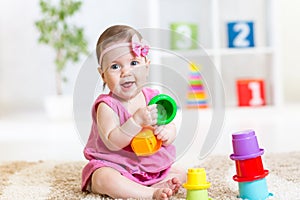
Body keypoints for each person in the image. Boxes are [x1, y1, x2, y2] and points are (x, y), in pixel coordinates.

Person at [81, 25, 185, 200]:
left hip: (149, 167)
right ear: (103, 75)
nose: (126, 72)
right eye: (115, 66)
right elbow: (113, 142)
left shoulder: (154, 98)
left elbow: (169, 124)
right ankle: (149, 193)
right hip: (116, 166)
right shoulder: (107, 106)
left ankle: (157, 183)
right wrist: (136, 121)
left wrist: (168, 132)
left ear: (146, 67)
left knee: (182, 173)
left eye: (134, 63)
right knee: (103, 178)